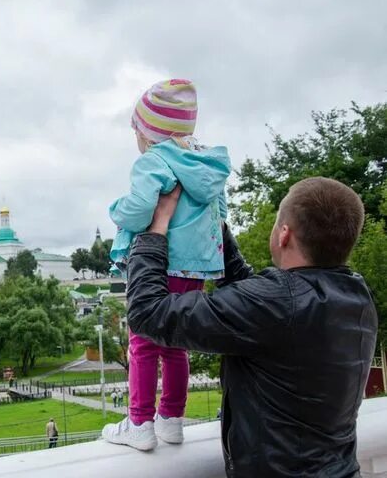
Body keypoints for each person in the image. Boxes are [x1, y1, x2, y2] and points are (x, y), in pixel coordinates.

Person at [115, 177, 376, 477]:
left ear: (284, 235)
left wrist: (155, 229)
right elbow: (258, 302)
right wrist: (213, 223)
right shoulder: (356, 296)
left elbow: (148, 313)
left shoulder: (276, 304)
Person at [104, 79, 231, 451]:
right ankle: (171, 420)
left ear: (148, 133)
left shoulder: (153, 161)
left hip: (158, 262)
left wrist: (116, 210)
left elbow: (140, 209)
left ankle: (139, 423)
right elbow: (221, 214)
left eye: (137, 129)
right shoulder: (206, 165)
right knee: (176, 343)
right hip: (197, 266)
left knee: (142, 342)